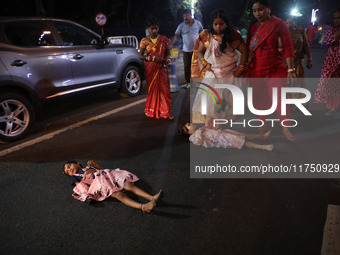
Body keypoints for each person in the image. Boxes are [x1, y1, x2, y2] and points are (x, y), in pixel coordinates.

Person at [245, 0, 295, 141]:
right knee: (258, 98)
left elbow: (288, 46)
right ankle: (263, 123)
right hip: (256, 68)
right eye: (254, 11)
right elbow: (248, 49)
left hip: (275, 67)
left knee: (281, 98)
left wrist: (291, 69)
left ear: (269, 8)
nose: (257, 14)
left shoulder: (278, 24)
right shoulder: (253, 27)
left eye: (261, 9)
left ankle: (286, 128)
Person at [190, 9, 248, 129]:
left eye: (221, 24)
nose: (218, 27)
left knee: (227, 100)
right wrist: (204, 62)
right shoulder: (206, 35)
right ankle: (211, 125)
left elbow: (244, 51)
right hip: (212, 72)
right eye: (215, 24)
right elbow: (200, 52)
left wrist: (241, 68)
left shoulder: (233, 35)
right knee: (210, 99)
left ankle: (223, 126)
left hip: (229, 72)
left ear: (226, 24)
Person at [63, 160, 163, 213]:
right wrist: (86, 177)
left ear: (77, 163)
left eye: (69, 166)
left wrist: (96, 165)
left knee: (128, 185)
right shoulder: (75, 177)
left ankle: (152, 197)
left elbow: (103, 170)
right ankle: (143, 207)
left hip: (108, 177)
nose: (69, 170)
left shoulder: (89, 166)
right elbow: (80, 188)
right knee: (119, 195)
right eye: (68, 172)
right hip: (100, 185)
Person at [139, 17, 173, 119]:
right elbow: (140, 56)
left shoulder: (163, 39)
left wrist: (167, 60)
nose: (154, 30)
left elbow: (167, 53)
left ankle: (166, 111)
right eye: (152, 28)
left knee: (164, 90)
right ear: (148, 29)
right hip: (151, 68)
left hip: (162, 67)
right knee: (153, 91)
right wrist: (152, 58)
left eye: (156, 28)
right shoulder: (144, 41)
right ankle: (153, 111)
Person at [314, 8, 340, 116]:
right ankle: (333, 108)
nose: (336, 20)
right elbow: (327, 42)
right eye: (335, 18)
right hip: (333, 60)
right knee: (331, 83)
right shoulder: (332, 30)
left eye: (339, 18)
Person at [169, 9, 203, 87]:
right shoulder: (181, 26)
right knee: (187, 67)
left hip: (196, 50)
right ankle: (188, 82)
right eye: (184, 16)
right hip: (186, 51)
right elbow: (176, 36)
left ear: (191, 15)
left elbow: (202, 33)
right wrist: (170, 44)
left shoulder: (198, 24)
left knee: (197, 66)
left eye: (187, 16)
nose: (185, 18)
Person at [184, 123, 273, 151]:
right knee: (242, 142)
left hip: (223, 132)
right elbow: (199, 141)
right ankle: (263, 147)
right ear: (188, 131)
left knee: (243, 135)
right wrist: (201, 130)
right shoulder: (193, 137)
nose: (191, 124)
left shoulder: (200, 129)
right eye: (189, 125)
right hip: (222, 139)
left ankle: (262, 136)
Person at [285, 18, 313, 104]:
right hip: (284, 62)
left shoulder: (300, 32)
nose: (289, 24)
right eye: (287, 23)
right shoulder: (282, 33)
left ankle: (300, 102)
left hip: (298, 61)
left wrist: (309, 59)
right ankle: (287, 102)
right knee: (285, 82)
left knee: (298, 80)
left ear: (295, 23)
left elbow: (306, 45)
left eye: (291, 22)